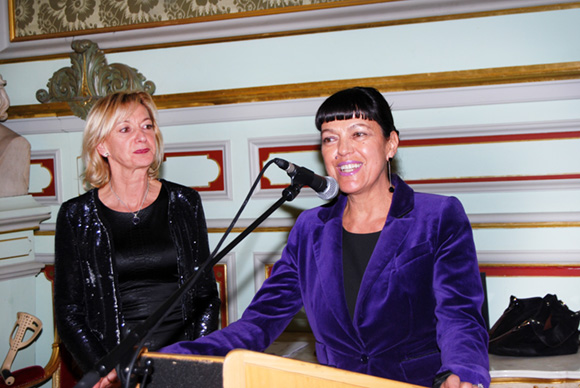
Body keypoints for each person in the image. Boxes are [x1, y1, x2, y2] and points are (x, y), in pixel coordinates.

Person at [161, 87, 490, 388]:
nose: (343, 150)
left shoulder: (437, 216)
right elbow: (258, 323)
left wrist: (464, 370)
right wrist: (168, 361)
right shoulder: (309, 229)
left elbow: (459, 314)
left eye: (358, 134)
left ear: (391, 144)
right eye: (330, 138)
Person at [54, 92, 221, 387]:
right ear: (102, 145)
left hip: (180, 361)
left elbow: (206, 295)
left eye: (147, 126)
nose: (142, 137)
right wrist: (105, 369)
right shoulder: (76, 215)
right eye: (126, 129)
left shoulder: (185, 202)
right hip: (118, 366)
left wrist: (197, 361)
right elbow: (69, 311)